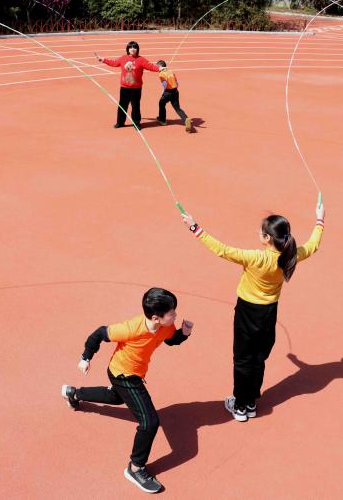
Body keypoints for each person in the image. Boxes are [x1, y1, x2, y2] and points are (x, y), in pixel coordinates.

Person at [181, 197, 324, 422]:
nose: (258, 233)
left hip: (248, 312)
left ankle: (239, 406)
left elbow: (222, 250)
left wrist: (194, 227)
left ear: (267, 238)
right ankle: (250, 402)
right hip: (269, 314)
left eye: (261, 231)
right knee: (259, 357)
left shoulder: (255, 258)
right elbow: (313, 245)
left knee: (242, 358)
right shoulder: (290, 256)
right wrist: (320, 219)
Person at [61, 287, 193, 494]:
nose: (175, 314)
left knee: (115, 397)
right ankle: (135, 468)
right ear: (156, 318)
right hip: (123, 374)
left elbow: (170, 339)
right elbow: (98, 334)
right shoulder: (131, 328)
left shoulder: (166, 326)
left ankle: (74, 393)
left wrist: (183, 334)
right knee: (150, 422)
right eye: (172, 312)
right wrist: (85, 358)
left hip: (135, 373)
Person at [95, 41, 160, 129]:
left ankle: (136, 123)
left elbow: (151, 66)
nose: (133, 49)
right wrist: (103, 60)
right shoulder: (123, 58)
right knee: (122, 106)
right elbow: (114, 63)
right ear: (128, 49)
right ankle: (120, 122)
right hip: (124, 87)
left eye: (135, 47)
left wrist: (160, 68)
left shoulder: (141, 60)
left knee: (135, 106)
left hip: (136, 88)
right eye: (131, 48)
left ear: (137, 49)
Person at [154, 60, 192, 133]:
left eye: (157, 67)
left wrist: (163, 91)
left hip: (168, 92)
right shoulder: (171, 72)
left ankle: (162, 120)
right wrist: (175, 89)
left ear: (160, 66)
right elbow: (177, 83)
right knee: (177, 108)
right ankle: (185, 119)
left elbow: (164, 83)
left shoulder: (161, 74)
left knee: (161, 103)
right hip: (175, 91)